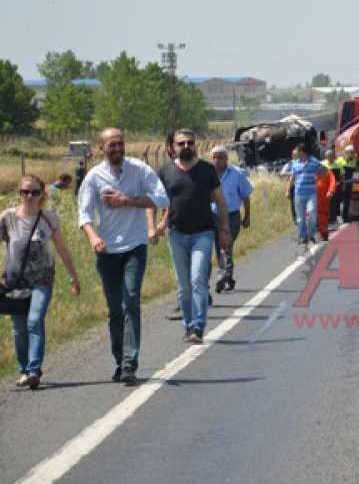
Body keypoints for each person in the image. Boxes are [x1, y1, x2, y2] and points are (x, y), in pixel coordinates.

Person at [79, 128, 169, 385]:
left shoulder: (139, 169)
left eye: (120, 143)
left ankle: (130, 363)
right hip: (107, 251)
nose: (117, 148)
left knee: (130, 301)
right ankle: (120, 359)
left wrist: (128, 201)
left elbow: (161, 198)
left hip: (134, 247)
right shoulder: (94, 177)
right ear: (101, 148)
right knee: (115, 309)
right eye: (112, 145)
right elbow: (84, 214)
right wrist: (93, 238)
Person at [2, 175, 81, 389]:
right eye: (25, 192)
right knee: (19, 329)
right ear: (19, 193)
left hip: (42, 279)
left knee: (34, 320)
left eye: (34, 192)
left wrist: (73, 277)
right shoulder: (8, 217)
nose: (29, 196)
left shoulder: (49, 218)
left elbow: (62, 249)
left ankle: (34, 370)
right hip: (15, 282)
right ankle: (24, 370)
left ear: (42, 194)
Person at [156, 129, 230, 345]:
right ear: (173, 147)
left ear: (195, 144)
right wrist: (158, 224)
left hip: (203, 233)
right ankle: (188, 325)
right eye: (181, 143)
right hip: (176, 234)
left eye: (190, 142)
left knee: (198, 279)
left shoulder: (207, 170)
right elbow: (159, 201)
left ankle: (198, 327)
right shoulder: (165, 171)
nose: (186, 146)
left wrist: (224, 230)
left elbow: (221, 201)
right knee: (184, 285)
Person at [210, 145, 253, 293]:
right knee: (219, 247)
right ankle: (228, 277)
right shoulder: (208, 174)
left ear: (226, 158)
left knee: (226, 245)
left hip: (232, 216)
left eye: (220, 157)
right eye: (214, 157)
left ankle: (223, 275)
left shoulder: (237, 174)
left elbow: (246, 196)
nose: (217, 160)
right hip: (214, 216)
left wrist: (247, 216)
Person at [286, 144, 327, 244]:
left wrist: (319, 179)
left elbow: (324, 171)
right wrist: (287, 190)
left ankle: (310, 234)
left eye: (296, 151)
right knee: (300, 218)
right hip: (298, 193)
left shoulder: (314, 162)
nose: (294, 153)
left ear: (302, 152)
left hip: (311, 193)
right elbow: (292, 178)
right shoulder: (295, 164)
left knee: (312, 214)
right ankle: (302, 237)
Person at [332, 145, 359, 223]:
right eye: (349, 152)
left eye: (352, 153)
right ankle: (337, 216)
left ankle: (345, 217)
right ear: (345, 153)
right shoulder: (339, 160)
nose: (351, 154)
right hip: (339, 183)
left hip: (348, 183)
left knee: (347, 201)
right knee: (337, 200)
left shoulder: (355, 161)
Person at [315, 150, 336, 240]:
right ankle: (314, 233)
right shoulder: (310, 172)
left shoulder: (326, 171)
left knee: (323, 215)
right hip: (313, 198)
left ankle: (324, 233)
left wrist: (330, 191)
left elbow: (332, 181)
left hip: (324, 197)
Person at [321, 149, 338, 230]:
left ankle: (333, 219)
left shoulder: (337, 165)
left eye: (331, 156)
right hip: (324, 187)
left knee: (334, 203)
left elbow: (340, 175)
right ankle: (326, 219)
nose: (330, 157)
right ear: (326, 156)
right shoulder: (322, 164)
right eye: (328, 156)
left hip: (334, 186)